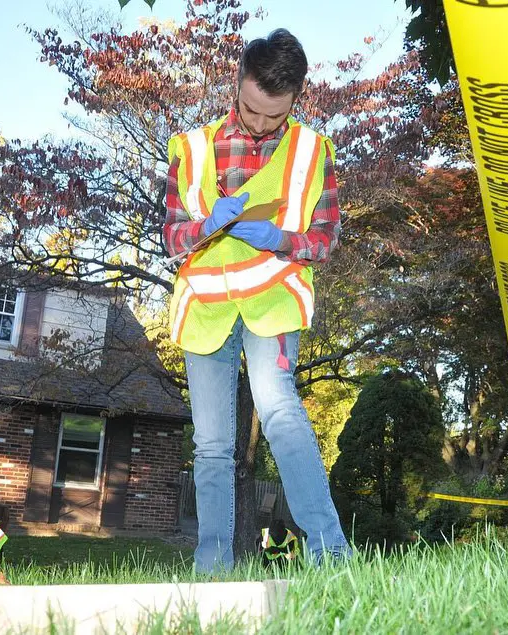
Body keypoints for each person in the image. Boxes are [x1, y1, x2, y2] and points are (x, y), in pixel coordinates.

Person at [163, 28, 350, 573]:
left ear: (297, 97)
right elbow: (171, 237)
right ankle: (213, 568)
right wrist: (203, 226)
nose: (261, 124)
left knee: (281, 413)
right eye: (251, 109)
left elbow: (324, 237)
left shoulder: (313, 151)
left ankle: (330, 555)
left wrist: (284, 240)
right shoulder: (194, 147)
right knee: (213, 444)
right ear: (237, 83)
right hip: (206, 307)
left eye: (275, 114)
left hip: (271, 298)